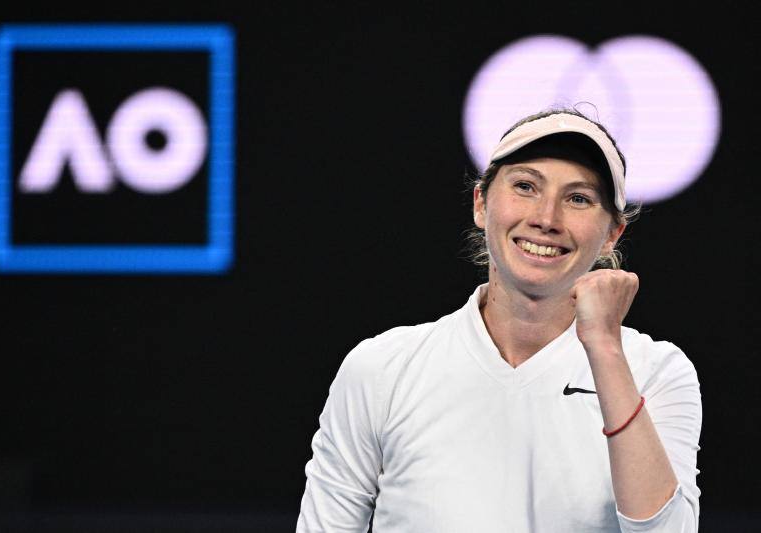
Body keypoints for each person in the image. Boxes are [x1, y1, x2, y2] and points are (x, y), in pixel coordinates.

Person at [296, 109, 702, 532]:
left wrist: (603, 346)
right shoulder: (382, 368)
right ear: (481, 203)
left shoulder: (656, 371)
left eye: (578, 198)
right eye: (525, 186)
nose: (546, 218)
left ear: (612, 234)